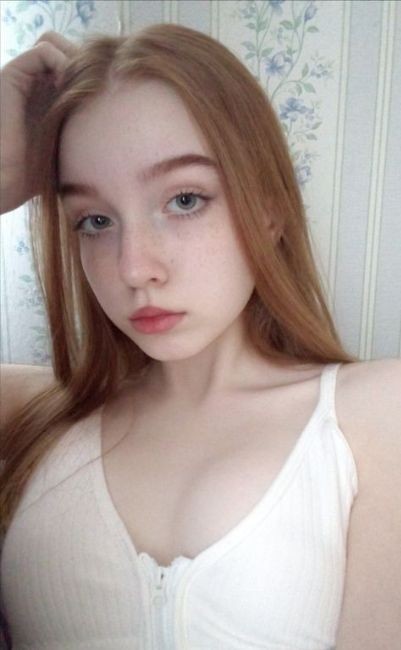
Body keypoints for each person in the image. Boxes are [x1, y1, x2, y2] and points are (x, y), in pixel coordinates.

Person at [0, 24, 399, 650]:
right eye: (95, 220)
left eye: (185, 200)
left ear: (268, 208)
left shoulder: (373, 414)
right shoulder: (37, 415)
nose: (135, 267)